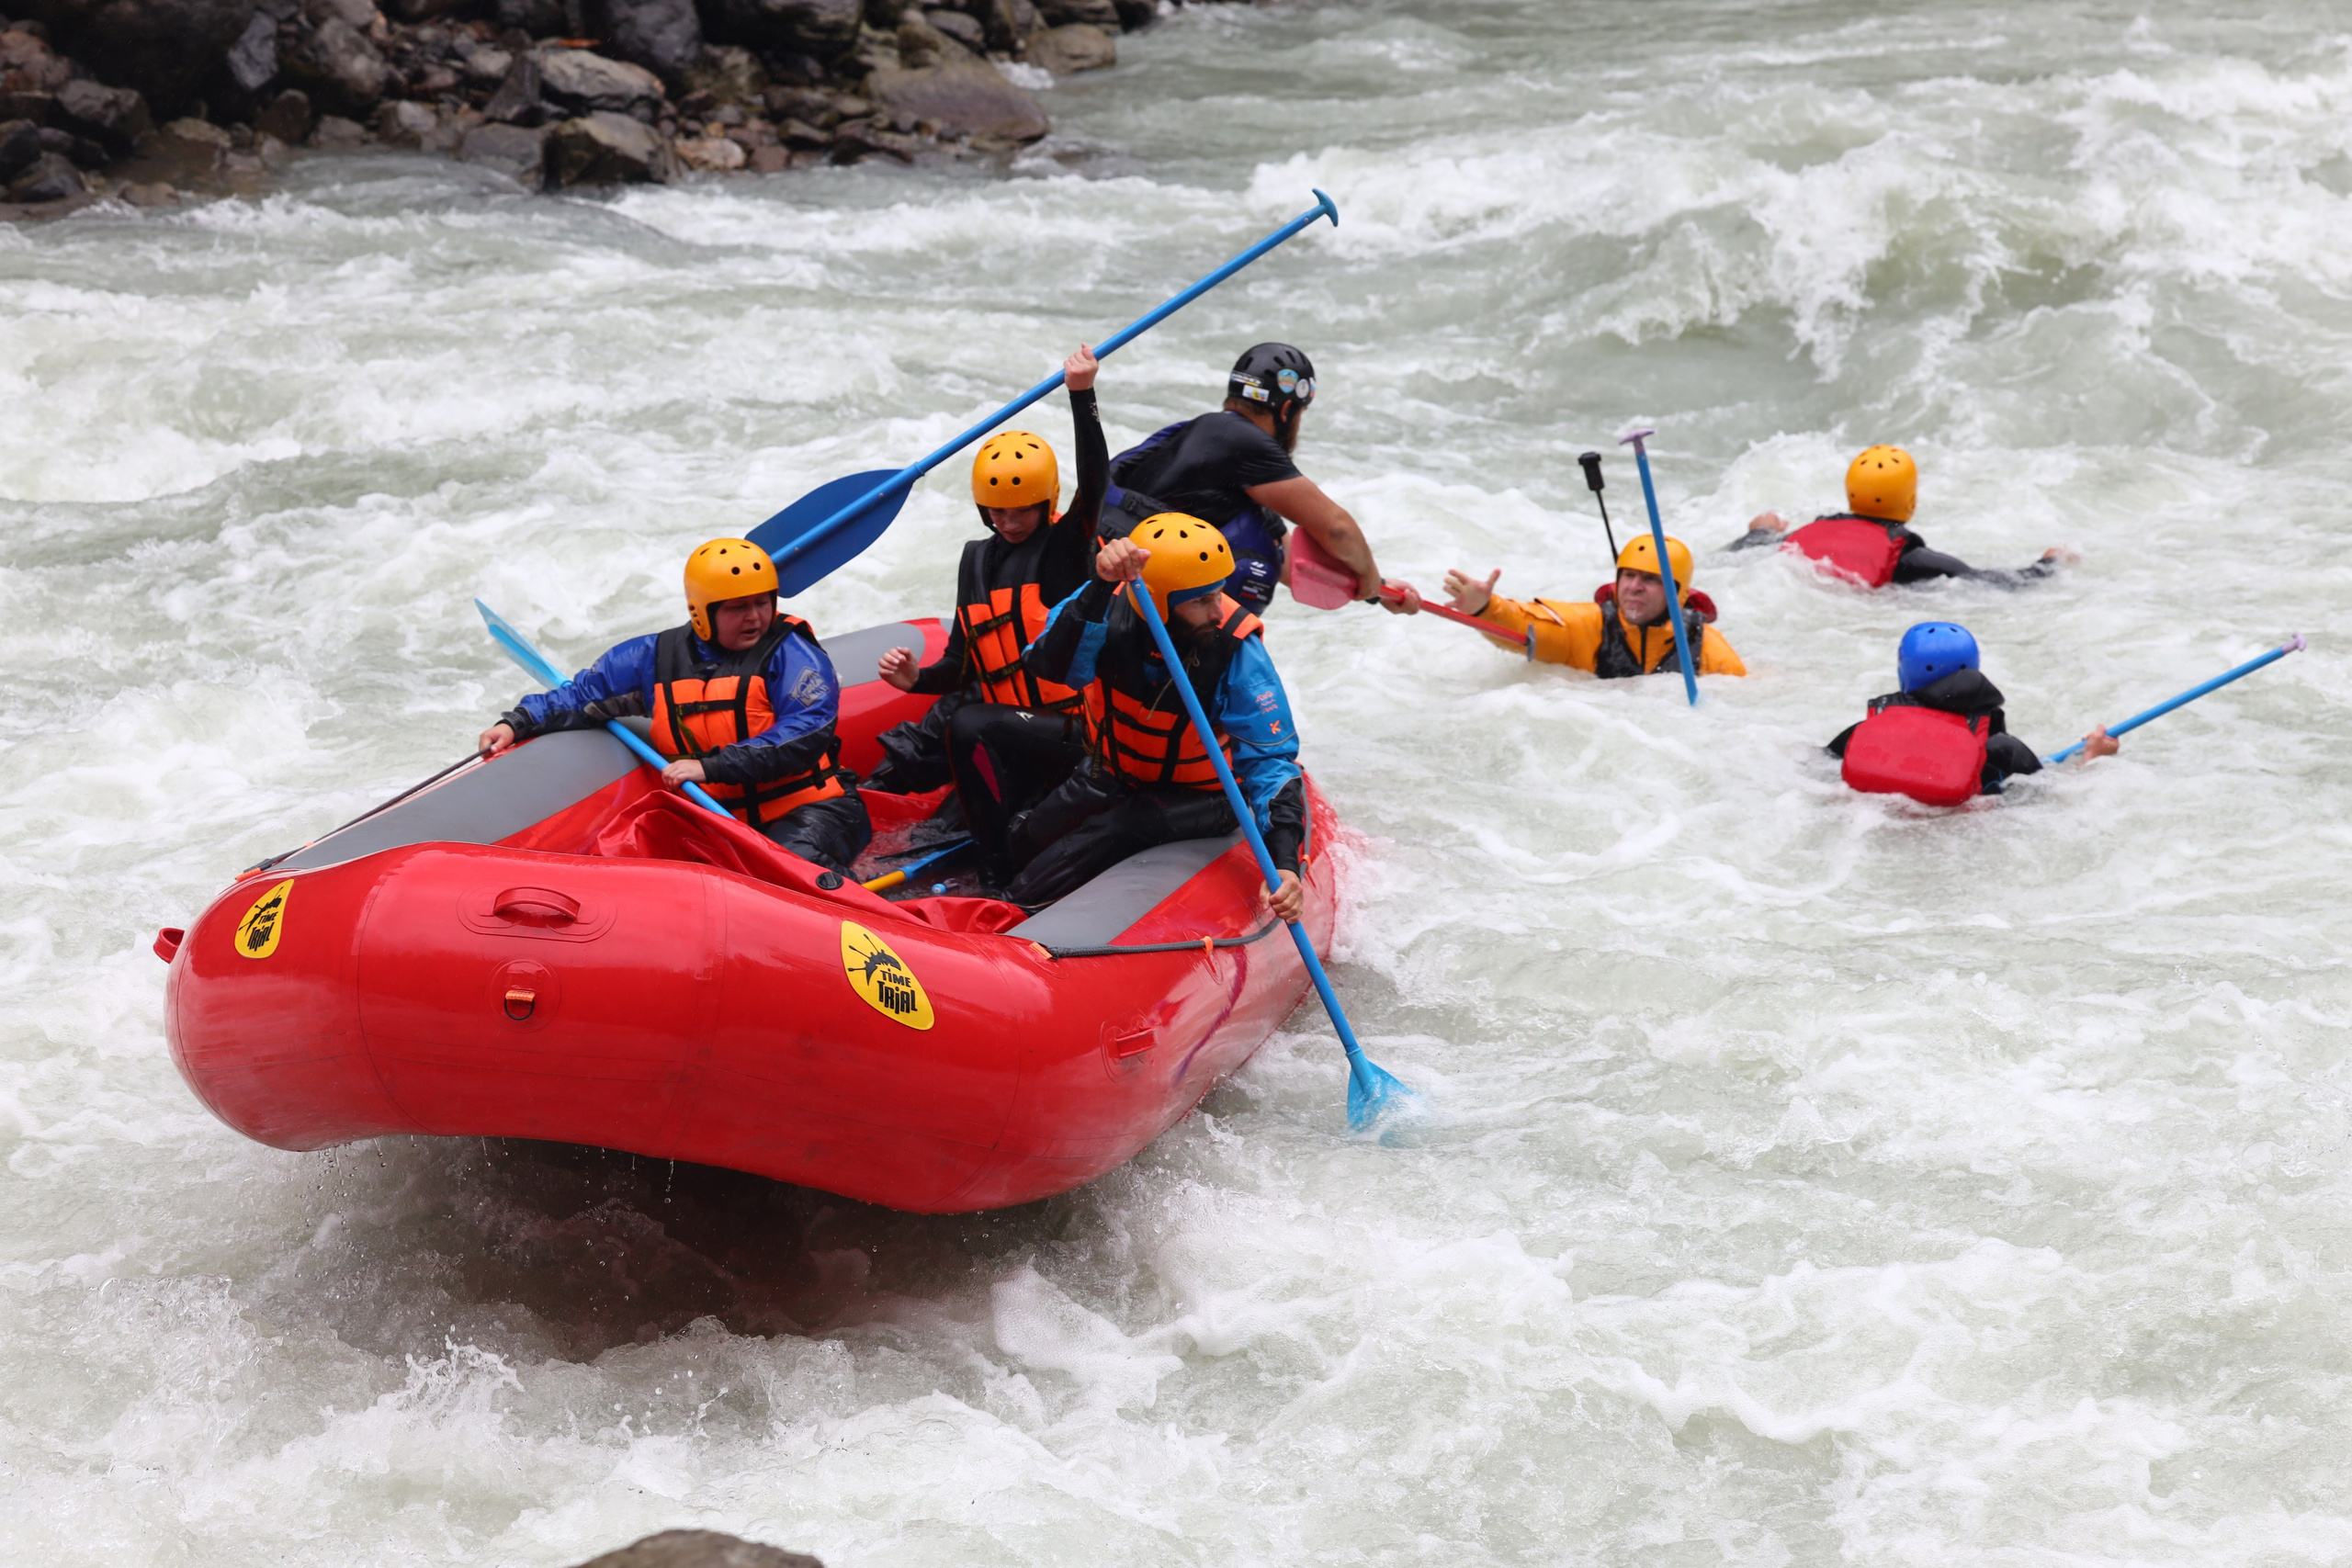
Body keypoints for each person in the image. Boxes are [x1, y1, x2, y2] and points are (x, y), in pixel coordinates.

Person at [861, 345, 1111, 880]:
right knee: (934, 832)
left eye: (1021, 509)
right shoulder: (976, 560)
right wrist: (915, 679)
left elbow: (1095, 484)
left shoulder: (1064, 550)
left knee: (968, 722)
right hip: (1009, 735)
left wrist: (1082, 394)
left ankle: (998, 878)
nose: (1009, 521)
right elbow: (963, 666)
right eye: (997, 510)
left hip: (1070, 733)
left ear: (1045, 503)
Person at [477, 537, 871, 871]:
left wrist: (711, 766)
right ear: (702, 611)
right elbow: (582, 695)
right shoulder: (653, 658)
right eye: (738, 607)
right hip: (719, 824)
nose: (755, 617)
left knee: (786, 866)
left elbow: (805, 733)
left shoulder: (793, 654)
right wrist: (518, 722)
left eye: (762, 602)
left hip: (813, 813)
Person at [998, 514, 1308, 917]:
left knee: (1121, 826)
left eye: (1218, 593)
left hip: (1206, 796)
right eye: (1201, 600)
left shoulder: (1236, 648)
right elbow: (1050, 667)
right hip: (1114, 771)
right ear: (1158, 602)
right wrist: (1102, 583)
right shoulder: (1104, 608)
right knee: (1026, 841)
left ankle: (1005, 914)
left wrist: (1285, 861)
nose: (1218, 610)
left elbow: (1269, 760)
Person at [1105, 342, 1402, 615]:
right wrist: (1369, 575)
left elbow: (1292, 563)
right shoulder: (1245, 443)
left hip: (1103, 576)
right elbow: (1337, 529)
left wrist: (1381, 592)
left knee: (1259, 542)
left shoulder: (1201, 438)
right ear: (1287, 411)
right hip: (1133, 598)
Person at [1827, 621, 2117, 803]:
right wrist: (2092, 758)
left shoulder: (1861, 734)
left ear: (1904, 671)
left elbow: (1813, 767)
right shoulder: (2003, 750)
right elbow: (2057, 799)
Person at [1729, 445, 2075, 588]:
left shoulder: (1812, 529)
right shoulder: (1909, 558)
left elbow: (1752, 549)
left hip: (1782, 584)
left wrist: (1760, 529)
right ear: (1909, 499)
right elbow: (1991, 583)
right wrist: (2048, 565)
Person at [1439, 535, 1748, 678]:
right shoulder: (1589, 627)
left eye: (1651, 580)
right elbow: (1523, 627)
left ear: (1679, 594)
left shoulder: (1707, 648)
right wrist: (1484, 609)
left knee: (1756, 543)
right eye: (1628, 576)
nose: (1635, 587)